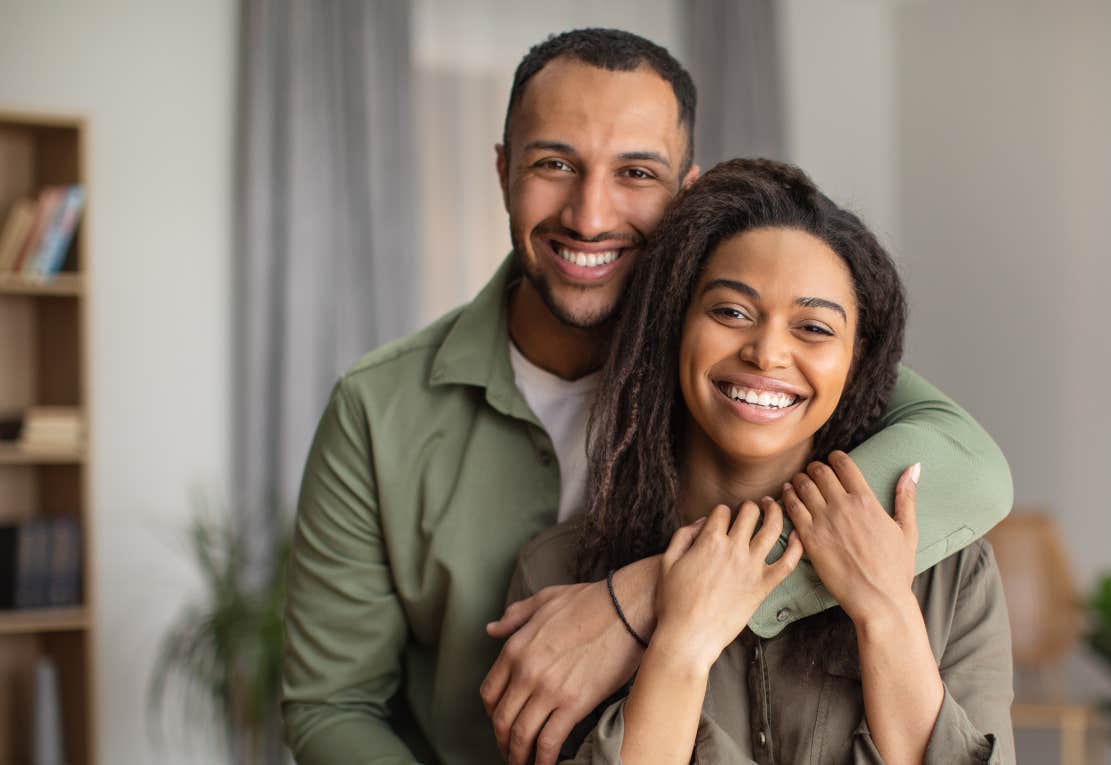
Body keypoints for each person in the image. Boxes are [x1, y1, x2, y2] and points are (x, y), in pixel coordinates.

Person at [281, 28, 1013, 765]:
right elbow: (332, 706)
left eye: (635, 171)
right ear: (503, 171)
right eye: (553, 163)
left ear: (685, 194)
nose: (590, 213)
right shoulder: (378, 409)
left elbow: (974, 467)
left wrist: (643, 597)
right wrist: (677, 610)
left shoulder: (767, 376)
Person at [510, 159, 1014, 764]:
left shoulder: (952, 574)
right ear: (675, 328)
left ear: (858, 365)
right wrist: (681, 643)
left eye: (814, 327)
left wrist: (885, 611)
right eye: (730, 312)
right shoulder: (560, 576)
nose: (768, 353)